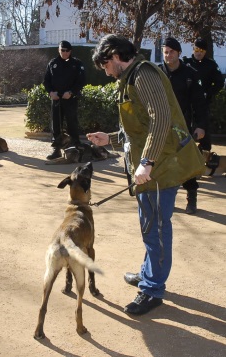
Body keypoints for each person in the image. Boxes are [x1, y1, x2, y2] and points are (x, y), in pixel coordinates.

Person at [88, 34, 204, 315]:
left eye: (105, 65)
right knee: (149, 225)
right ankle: (148, 273)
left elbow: (161, 118)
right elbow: (139, 129)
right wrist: (111, 139)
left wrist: (147, 161)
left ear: (115, 56)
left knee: (157, 229)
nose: (106, 72)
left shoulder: (143, 74)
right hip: (151, 166)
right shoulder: (131, 77)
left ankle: (152, 289)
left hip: (161, 167)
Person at [159, 37, 207, 214]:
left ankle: (191, 199)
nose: (168, 55)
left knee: (186, 164)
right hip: (161, 127)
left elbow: (199, 103)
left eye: (171, 51)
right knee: (162, 165)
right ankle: (165, 200)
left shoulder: (190, 74)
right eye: (165, 51)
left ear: (179, 53)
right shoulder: (157, 73)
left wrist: (200, 126)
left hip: (183, 128)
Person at [43, 40, 85, 160]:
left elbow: (81, 80)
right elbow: (46, 80)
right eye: (62, 50)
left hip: (70, 98)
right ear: (59, 50)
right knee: (56, 124)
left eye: (67, 51)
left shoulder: (76, 63)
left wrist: (71, 92)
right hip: (56, 99)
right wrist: (50, 92)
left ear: (70, 51)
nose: (64, 52)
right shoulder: (52, 63)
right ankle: (57, 149)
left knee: (72, 122)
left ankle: (76, 146)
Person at [183, 37, 224, 151]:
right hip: (186, 103)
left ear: (205, 52)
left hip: (202, 103)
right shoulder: (186, 63)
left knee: (203, 131)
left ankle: (205, 156)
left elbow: (219, 82)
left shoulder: (210, 65)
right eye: (196, 49)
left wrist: (208, 93)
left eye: (202, 51)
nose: (199, 53)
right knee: (184, 129)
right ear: (193, 49)